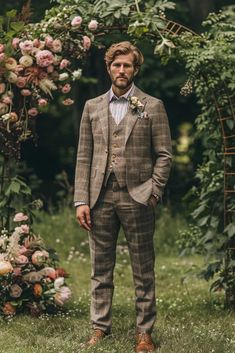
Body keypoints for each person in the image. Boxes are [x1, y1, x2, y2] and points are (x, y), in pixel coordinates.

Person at [74, 41, 172, 353]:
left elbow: (165, 155)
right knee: (100, 267)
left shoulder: (152, 105)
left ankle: (144, 333)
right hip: (99, 197)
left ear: (135, 69)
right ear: (108, 68)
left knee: (143, 268)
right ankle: (100, 328)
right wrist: (81, 200)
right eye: (116, 65)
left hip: (138, 197)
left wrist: (153, 192)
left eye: (127, 65)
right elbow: (83, 158)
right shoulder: (92, 107)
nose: (121, 70)